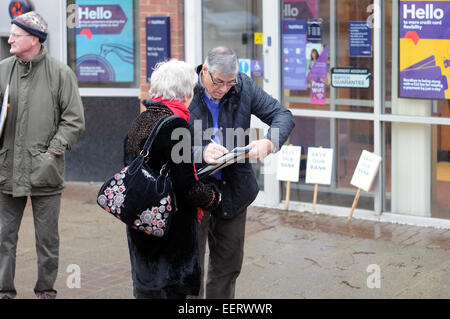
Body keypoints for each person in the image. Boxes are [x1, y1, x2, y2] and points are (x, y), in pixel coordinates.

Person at [188, 46, 295, 299]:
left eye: (229, 82)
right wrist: (200, 151)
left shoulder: (243, 86)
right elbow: (165, 139)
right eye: (218, 82)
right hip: (192, 191)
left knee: (228, 266)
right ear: (205, 71)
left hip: (232, 189)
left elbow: (282, 115)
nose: (224, 89)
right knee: (191, 269)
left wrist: (269, 143)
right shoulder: (185, 89)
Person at [0, 12, 85, 299]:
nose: (9, 39)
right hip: (7, 168)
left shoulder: (61, 73)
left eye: (15, 34)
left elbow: (74, 120)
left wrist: (52, 152)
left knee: (47, 240)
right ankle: (4, 291)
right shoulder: (2, 70)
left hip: (45, 171)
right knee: (3, 238)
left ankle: (46, 289)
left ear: (33, 39)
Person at [124, 59, 222, 299]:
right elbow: (187, 186)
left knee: (147, 291)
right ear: (185, 92)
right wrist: (212, 198)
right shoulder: (176, 125)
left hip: (140, 223)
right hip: (170, 231)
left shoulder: (141, 120)